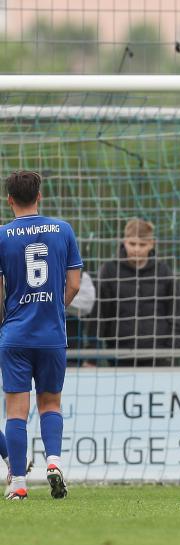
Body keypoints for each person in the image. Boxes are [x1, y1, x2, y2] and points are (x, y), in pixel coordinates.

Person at [0, 171, 82, 500]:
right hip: (51, 334)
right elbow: (74, 284)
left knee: (16, 412)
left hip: (15, 335)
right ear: (39, 196)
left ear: (9, 199)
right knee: (50, 404)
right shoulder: (63, 230)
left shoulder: (3, 235)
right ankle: (54, 462)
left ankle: (19, 481)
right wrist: (54, 310)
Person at [95, 218, 180, 367]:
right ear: (124, 241)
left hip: (158, 354)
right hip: (119, 353)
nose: (136, 249)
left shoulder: (163, 271)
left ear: (151, 244)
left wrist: (173, 349)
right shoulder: (109, 270)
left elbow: (176, 313)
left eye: (142, 245)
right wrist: (93, 351)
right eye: (132, 244)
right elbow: (99, 314)